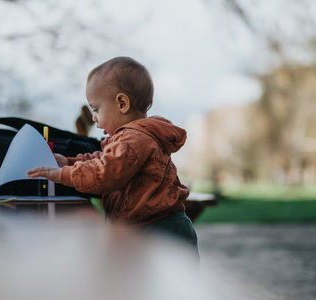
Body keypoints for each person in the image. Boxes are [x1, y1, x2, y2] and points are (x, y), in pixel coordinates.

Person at [27, 56, 198, 253]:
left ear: (122, 104)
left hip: (159, 231)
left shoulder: (134, 140)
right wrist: (68, 161)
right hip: (148, 228)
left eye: (96, 109)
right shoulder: (128, 139)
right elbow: (102, 159)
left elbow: (105, 174)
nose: (94, 118)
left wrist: (62, 174)